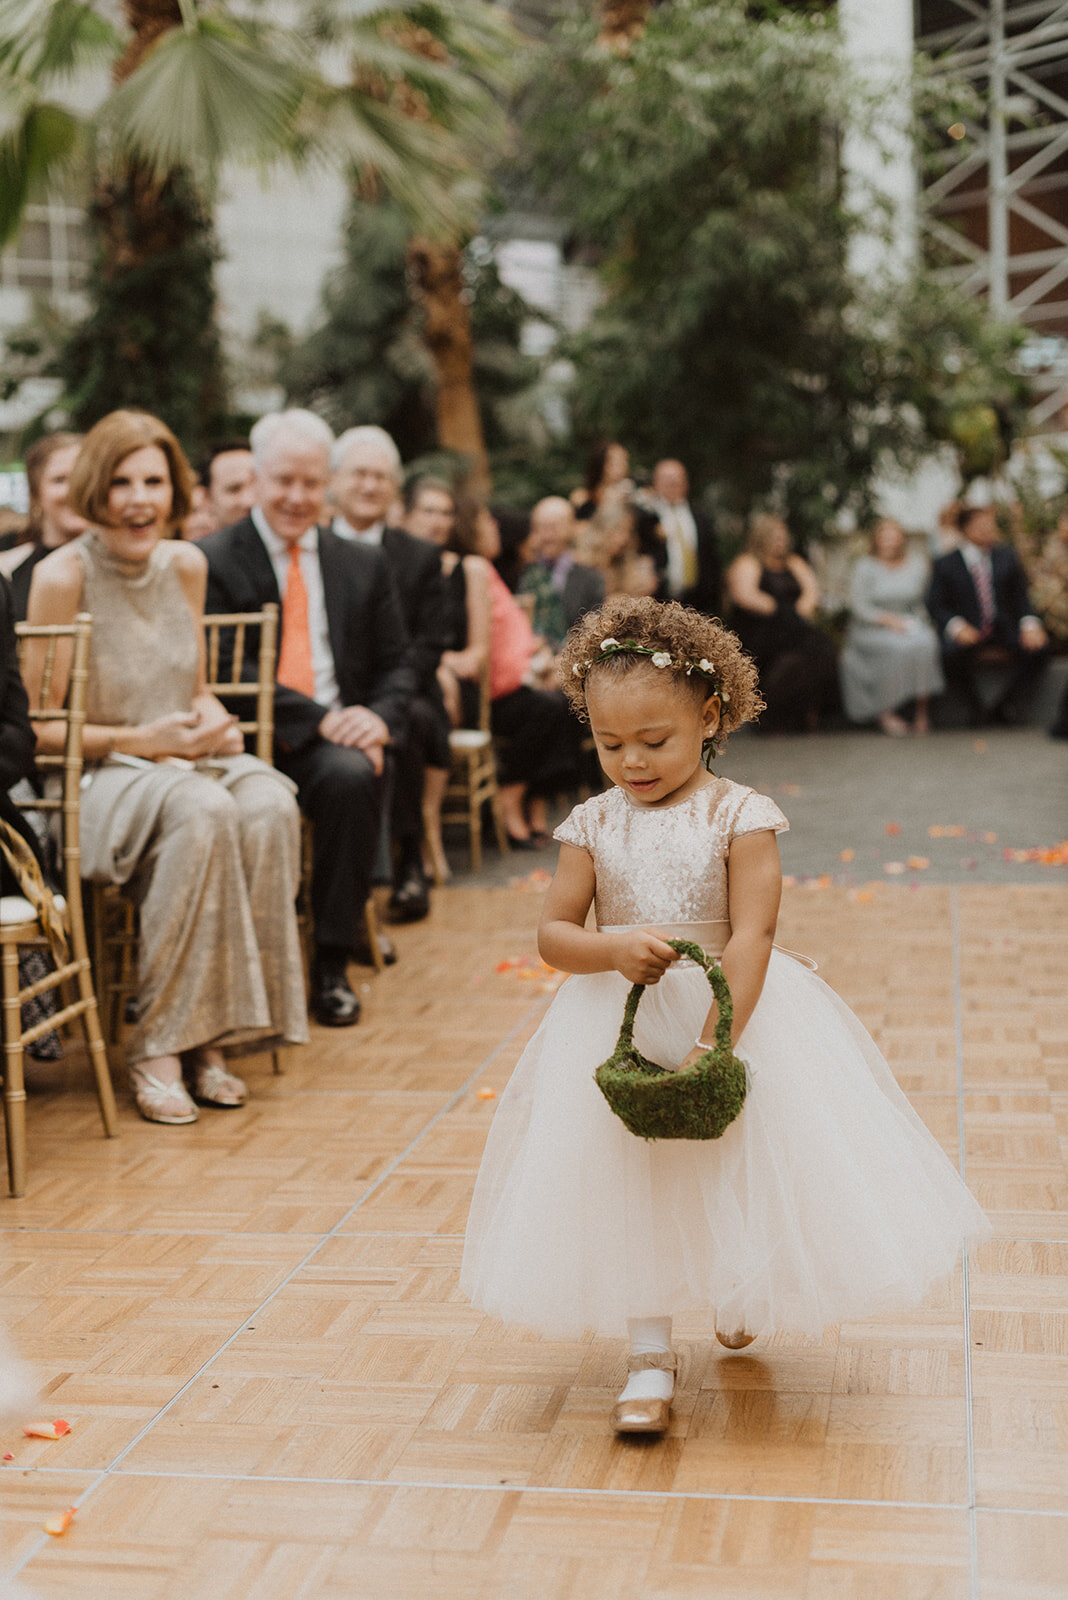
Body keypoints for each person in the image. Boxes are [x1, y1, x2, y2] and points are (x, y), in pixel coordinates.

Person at [461, 595, 990, 1437]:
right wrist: (612, 949)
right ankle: (647, 1354)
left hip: (734, 1009)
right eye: (609, 743)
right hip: (620, 1019)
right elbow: (555, 935)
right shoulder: (592, 824)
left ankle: (740, 1284)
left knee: (740, 1153)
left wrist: (718, 1035)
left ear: (708, 716)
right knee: (634, 1173)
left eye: (655, 741)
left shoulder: (739, 815)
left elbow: (756, 932)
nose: (631, 761)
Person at [24, 409, 308, 1124]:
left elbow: (196, 685)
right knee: (201, 808)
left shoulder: (187, 563)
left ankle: (217, 1036)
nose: (139, 499)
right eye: (121, 482)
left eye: (154, 480)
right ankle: (158, 1042)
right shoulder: (61, 574)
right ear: (94, 488)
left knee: (272, 799)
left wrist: (212, 718)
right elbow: (35, 729)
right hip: (94, 778)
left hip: (179, 758)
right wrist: (146, 739)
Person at [201, 410, 414, 1026]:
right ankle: (240, 971)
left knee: (353, 775)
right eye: (283, 481)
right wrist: (323, 717)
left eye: (311, 484)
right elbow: (223, 667)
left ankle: (330, 963)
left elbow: (399, 664)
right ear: (258, 477)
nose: (297, 497)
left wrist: (375, 716)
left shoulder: (362, 564)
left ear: (329, 485)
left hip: (334, 741)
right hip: (242, 736)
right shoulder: (211, 558)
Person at [330, 428, 450, 924]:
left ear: (393, 488)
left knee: (407, 723)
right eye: (358, 473)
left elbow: (431, 640)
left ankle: (407, 864)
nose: (368, 485)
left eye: (380, 476)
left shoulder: (417, 555)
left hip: (406, 690)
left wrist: (385, 699)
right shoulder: (311, 548)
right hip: (331, 692)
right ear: (335, 481)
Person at [447, 498, 581, 848]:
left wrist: (538, 659)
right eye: (487, 522)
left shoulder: (487, 569)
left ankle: (532, 805)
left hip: (518, 677)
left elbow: (510, 633)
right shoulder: (473, 568)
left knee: (565, 705)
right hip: (495, 689)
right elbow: (485, 640)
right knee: (549, 709)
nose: (496, 529)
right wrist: (531, 672)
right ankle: (511, 798)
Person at [927, 503, 1049, 726]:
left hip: (1003, 629)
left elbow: (1021, 596)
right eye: (979, 524)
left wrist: (1030, 625)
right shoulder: (945, 563)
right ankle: (975, 709)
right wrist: (957, 626)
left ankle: (1006, 706)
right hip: (968, 631)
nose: (987, 528)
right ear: (964, 529)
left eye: (989, 523)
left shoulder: (1006, 557)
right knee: (948, 654)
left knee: (1040, 649)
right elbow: (935, 604)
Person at [725, 513, 839, 731]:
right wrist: (781, 609)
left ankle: (810, 714)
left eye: (783, 537)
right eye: (775, 537)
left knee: (822, 651)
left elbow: (811, 592)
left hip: (793, 625)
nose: (781, 541)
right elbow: (746, 596)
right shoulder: (748, 562)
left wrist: (798, 611)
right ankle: (770, 716)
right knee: (790, 660)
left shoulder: (794, 562)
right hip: (760, 628)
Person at [839, 518, 944, 735]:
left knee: (927, 642)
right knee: (896, 648)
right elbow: (859, 606)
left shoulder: (916, 564)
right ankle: (885, 712)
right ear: (876, 540)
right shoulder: (865, 566)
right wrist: (888, 621)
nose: (890, 542)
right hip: (872, 627)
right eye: (885, 537)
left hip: (908, 624)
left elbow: (921, 602)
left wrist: (921, 624)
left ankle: (922, 713)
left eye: (894, 537)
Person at [0, 433, 86, 620]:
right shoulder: (7, 561)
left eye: (83, 478)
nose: (74, 490)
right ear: (35, 494)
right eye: (60, 480)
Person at [517, 497, 605, 650]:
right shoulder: (523, 573)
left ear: (571, 527)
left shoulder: (591, 577)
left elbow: (595, 628)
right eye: (540, 528)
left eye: (554, 527)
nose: (547, 536)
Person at [644, 458, 721, 616]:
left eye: (678, 479)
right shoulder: (647, 517)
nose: (674, 484)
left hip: (697, 603)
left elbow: (711, 560)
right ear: (656, 483)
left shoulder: (701, 518)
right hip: (658, 601)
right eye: (668, 480)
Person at [196, 441, 257, 536]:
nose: (249, 501)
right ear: (207, 498)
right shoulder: (193, 550)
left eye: (256, 486)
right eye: (234, 489)